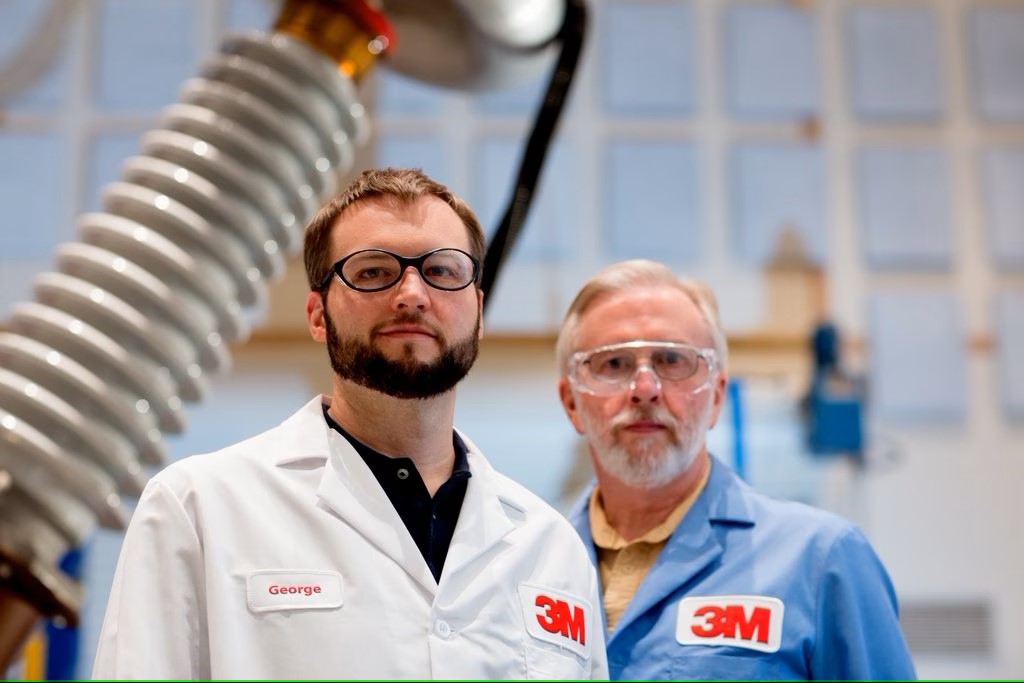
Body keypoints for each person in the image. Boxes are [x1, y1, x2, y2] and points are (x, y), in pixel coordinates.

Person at [93, 167, 608, 679]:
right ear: (318, 315)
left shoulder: (551, 549)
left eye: (444, 271)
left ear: (478, 309)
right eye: (372, 272)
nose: (411, 293)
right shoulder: (198, 507)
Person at [555, 259, 916, 680]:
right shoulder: (532, 562)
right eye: (613, 364)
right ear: (571, 403)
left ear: (716, 397)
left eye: (672, 360)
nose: (646, 389)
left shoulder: (822, 560)